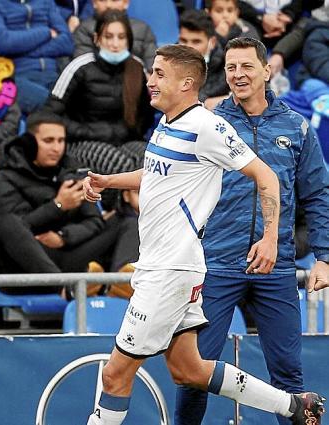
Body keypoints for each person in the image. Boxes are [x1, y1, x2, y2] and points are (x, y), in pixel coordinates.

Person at [82, 44, 326, 425]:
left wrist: (272, 238)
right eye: (153, 72)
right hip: (181, 265)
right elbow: (159, 172)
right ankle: (293, 406)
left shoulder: (208, 125)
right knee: (190, 371)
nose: (150, 81)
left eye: (159, 74)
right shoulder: (169, 122)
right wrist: (110, 180)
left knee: (115, 374)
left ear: (188, 83)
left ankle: (292, 402)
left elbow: (269, 177)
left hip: (173, 272)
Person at [174, 37, 329, 425]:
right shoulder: (207, 124)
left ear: (267, 70)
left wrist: (325, 257)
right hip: (216, 265)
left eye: (246, 66)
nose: (238, 75)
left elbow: (318, 195)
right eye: (230, 68)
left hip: (275, 267)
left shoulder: (297, 127)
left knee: (289, 376)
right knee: (195, 373)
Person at [0, 112, 113, 296]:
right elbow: (16, 230)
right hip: (20, 268)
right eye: (48, 141)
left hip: (65, 254)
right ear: (29, 143)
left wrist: (63, 236)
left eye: (61, 141)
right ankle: (62, 287)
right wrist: (58, 206)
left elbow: (94, 221)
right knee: (7, 222)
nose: (57, 148)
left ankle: (123, 286)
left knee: (125, 219)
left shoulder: (71, 173)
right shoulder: (2, 179)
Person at [44, 10, 152, 148]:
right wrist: (88, 132)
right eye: (108, 37)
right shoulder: (79, 67)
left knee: (147, 161)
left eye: (121, 37)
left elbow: (144, 116)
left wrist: (125, 132)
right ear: (97, 39)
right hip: (83, 143)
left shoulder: (136, 68)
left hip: (126, 142)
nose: (115, 44)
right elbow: (51, 114)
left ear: (128, 40)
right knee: (120, 164)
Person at [0, 0, 74, 114]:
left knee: (85, 100)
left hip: (54, 72)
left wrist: (23, 50)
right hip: (15, 76)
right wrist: (46, 32)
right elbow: (2, 43)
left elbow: (67, 43)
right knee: (55, 106)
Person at [72, 0, 156, 70]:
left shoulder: (142, 29)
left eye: (114, 0)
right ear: (94, 3)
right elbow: (82, 66)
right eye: (102, 0)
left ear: (126, 3)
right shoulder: (83, 29)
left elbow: (153, 64)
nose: (108, 5)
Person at [178, 10, 230, 110]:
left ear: (212, 42)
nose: (188, 47)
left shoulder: (228, 63)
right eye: (183, 40)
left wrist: (226, 100)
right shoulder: (167, 60)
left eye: (196, 42)